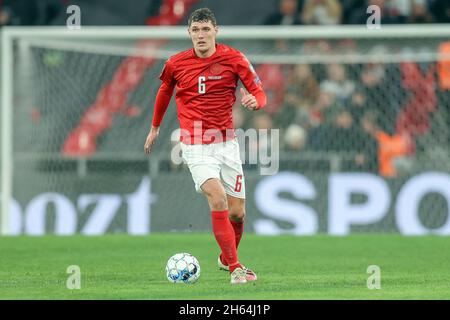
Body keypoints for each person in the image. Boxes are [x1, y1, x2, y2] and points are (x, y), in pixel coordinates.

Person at [144, 8, 266, 285]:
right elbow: (164, 92)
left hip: (227, 144)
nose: (201, 35)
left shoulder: (235, 59)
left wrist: (257, 101)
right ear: (189, 33)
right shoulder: (176, 64)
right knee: (217, 197)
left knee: (238, 212)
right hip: (195, 143)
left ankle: (226, 258)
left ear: (216, 31)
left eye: (206, 29)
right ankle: (235, 268)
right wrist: (155, 128)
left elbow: (259, 91)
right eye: (196, 30)